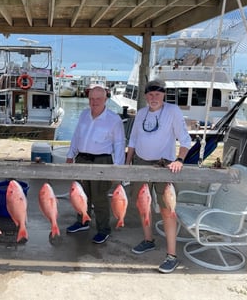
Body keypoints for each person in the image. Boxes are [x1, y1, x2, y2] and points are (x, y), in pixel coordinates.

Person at [126, 79, 192, 273]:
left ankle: (172, 255)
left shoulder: (172, 111)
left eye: (158, 94)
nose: (154, 97)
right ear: (146, 96)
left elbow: (185, 140)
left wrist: (179, 160)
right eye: (150, 94)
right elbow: (133, 139)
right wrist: (127, 162)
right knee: (142, 204)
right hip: (140, 163)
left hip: (164, 166)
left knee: (167, 210)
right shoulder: (141, 113)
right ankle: (148, 239)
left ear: (164, 95)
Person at [65, 86, 125, 244]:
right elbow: (77, 135)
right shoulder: (84, 114)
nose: (94, 102)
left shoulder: (114, 119)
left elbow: (119, 144)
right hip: (82, 159)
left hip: (102, 161)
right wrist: (70, 155)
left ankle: (103, 229)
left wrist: (117, 170)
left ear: (106, 99)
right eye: (91, 99)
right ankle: (83, 221)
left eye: (98, 99)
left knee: (99, 198)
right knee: (81, 194)